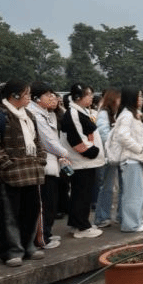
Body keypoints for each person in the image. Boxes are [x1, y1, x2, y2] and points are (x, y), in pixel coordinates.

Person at [0, 79, 47, 266]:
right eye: (26, 94)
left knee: (30, 212)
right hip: (9, 176)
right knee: (9, 215)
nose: (29, 97)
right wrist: (7, 164)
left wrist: (40, 159)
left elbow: (37, 142)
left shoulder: (28, 115)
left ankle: (28, 246)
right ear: (14, 95)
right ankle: (11, 251)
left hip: (32, 173)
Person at [27, 81, 70, 250]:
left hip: (51, 162)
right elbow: (48, 141)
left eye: (52, 94)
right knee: (44, 204)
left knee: (51, 202)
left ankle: (47, 233)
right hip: (44, 164)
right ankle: (41, 238)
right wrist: (64, 153)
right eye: (48, 95)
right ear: (36, 98)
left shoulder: (45, 113)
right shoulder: (36, 115)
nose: (52, 97)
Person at [61, 83, 105, 239]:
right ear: (78, 97)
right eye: (88, 95)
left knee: (81, 194)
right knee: (82, 195)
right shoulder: (73, 113)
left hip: (85, 161)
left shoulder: (82, 111)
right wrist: (93, 152)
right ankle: (82, 227)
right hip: (81, 162)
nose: (91, 97)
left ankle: (76, 223)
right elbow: (76, 139)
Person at [111, 87, 143, 232]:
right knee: (133, 194)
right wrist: (139, 149)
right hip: (131, 159)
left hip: (135, 159)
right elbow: (123, 136)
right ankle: (131, 224)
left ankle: (137, 220)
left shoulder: (132, 114)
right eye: (139, 96)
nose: (142, 99)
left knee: (139, 193)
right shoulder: (127, 115)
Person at [94, 88, 122, 228]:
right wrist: (117, 139)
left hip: (115, 155)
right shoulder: (104, 113)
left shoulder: (114, 113)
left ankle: (119, 215)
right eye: (118, 98)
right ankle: (101, 217)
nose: (120, 101)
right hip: (108, 156)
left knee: (116, 187)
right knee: (107, 187)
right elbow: (103, 134)